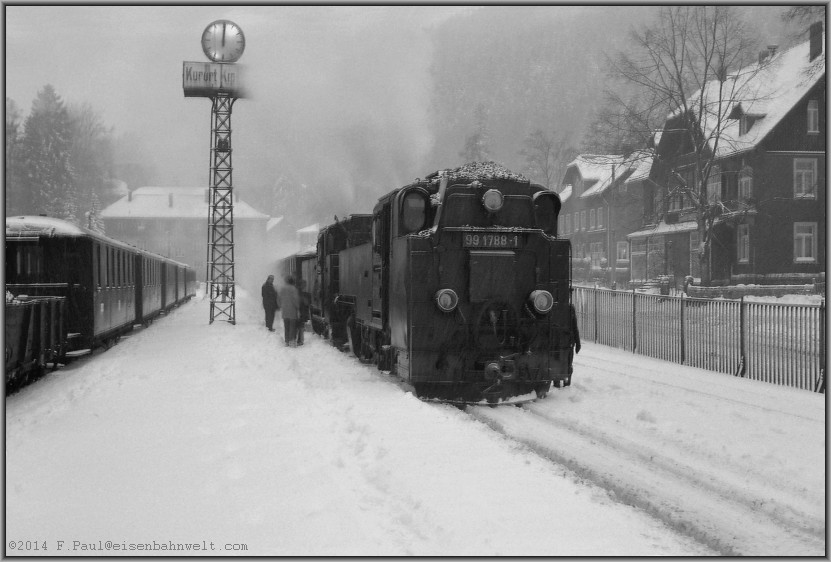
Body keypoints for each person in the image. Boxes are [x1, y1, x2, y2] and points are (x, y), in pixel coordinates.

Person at [279, 275, 301, 347]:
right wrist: (298, 307)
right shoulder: (293, 289)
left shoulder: (282, 289)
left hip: (285, 311)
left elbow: (278, 299)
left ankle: (286, 341)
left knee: (286, 327)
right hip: (292, 311)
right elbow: (295, 300)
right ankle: (292, 341)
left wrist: (281, 306)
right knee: (292, 327)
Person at [297, 279, 311, 346]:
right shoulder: (300, 293)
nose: (305, 286)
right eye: (304, 284)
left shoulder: (299, 292)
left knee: (300, 326)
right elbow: (305, 302)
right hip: (301, 311)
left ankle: (299, 339)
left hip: (300, 310)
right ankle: (300, 340)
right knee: (300, 326)